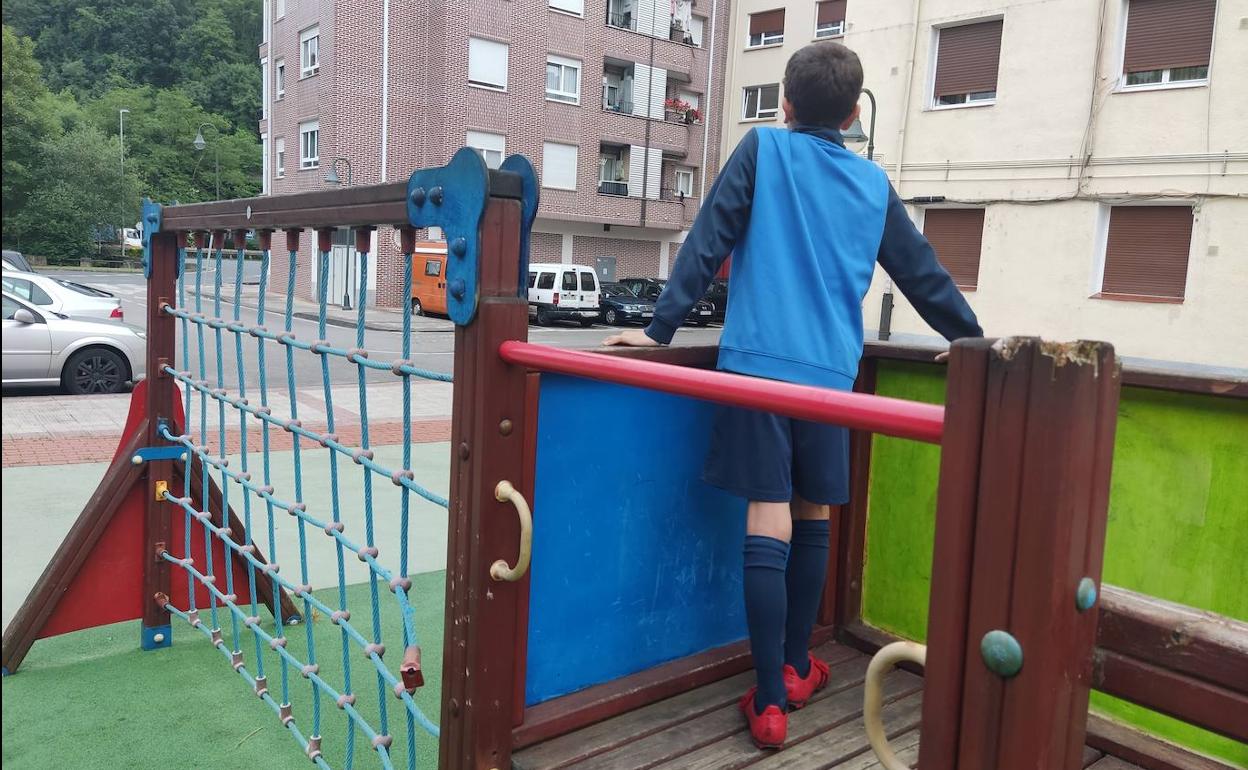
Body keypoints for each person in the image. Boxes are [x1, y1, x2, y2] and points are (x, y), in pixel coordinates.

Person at [605, 41, 983, 749]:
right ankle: (798, 667)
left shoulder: (763, 151)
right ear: (853, 113)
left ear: (784, 103)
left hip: (757, 367)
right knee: (813, 512)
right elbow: (920, 270)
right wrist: (972, 340)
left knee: (767, 515)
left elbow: (709, 238)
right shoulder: (871, 182)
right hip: (832, 380)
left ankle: (772, 702)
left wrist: (658, 330)